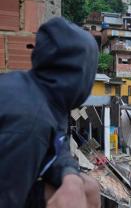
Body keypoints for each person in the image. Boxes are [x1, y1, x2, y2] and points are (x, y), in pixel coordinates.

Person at [0, 17, 100, 207]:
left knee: (87, 189)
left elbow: (57, 145)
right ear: (81, 75)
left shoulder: (42, 95)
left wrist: (70, 176)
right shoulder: (29, 122)